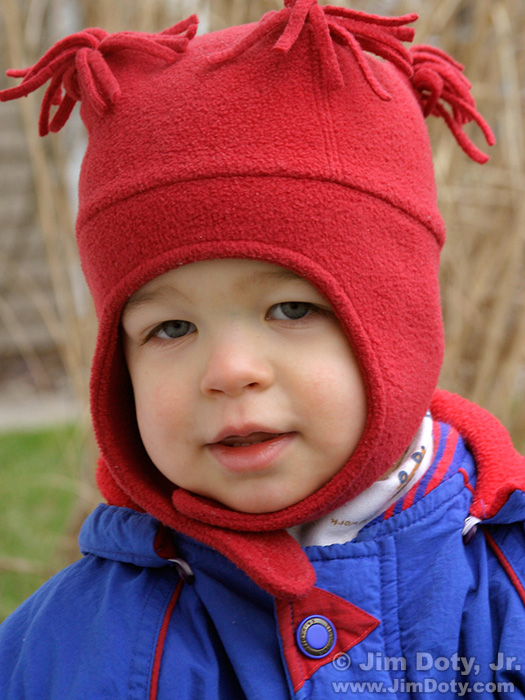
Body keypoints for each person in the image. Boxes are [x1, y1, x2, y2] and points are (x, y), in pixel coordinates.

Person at [0, 2, 524, 698]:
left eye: (291, 309)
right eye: (171, 329)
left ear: (399, 327)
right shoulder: (68, 650)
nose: (229, 372)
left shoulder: (505, 591)